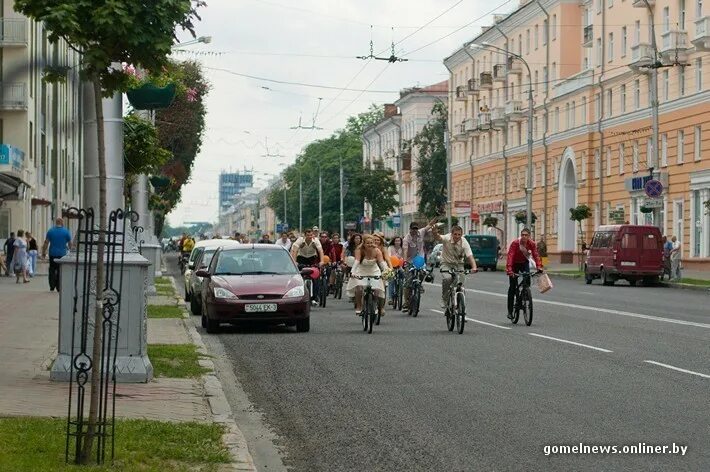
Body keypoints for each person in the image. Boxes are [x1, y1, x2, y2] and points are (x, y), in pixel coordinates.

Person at [430, 225, 478, 308]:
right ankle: (444, 299)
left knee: (461, 285)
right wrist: (434, 232)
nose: (457, 236)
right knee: (447, 279)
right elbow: (438, 237)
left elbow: (470, 256)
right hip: (446, 263)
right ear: (451, 234)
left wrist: (474, 267)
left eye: (459, 234)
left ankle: (462, 310)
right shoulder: (446, 238)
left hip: (459, 265)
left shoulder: (464, 242)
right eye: (455, 234)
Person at [346, 234, 388, 316]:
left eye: (371, 242)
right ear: (364, 243)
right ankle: (359, 306)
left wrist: (386, 271)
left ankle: (375, 305)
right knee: (359, 287)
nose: (370, 245)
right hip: (361, 270)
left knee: (376, 289)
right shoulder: (359, 250)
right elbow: (357, 261)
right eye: (368, 243)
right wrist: (353, 272)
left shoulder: (377, 251)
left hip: (374, 270)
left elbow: (381, 262)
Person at [506, 228, 543, 319]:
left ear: (529, 236)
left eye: (526, 235)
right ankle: (510, 312)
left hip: (524, 263)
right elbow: (510, 256)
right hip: (514, 264)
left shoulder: (532, 244)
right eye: (522, 235)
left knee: (527, 279)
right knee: (512, 287)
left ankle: (525, 294)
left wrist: (539, 267)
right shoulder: (515, 243)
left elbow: (536, 255)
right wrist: (510, 270)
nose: (524, 236)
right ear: (520, 235)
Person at [401, 219, 437, 311]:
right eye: (413, 229)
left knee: (423, 272)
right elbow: (405, 251)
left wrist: (437, 216)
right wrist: (405, 262)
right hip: (410, 260)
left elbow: (430, 224)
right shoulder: (406, 239)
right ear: (410, 229)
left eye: (416, 229)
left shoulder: (421, 232)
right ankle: (406, 302)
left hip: (420, 259)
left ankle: (419, 284)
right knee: (408, 282)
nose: (414, 231)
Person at [290, 228, 325, 304]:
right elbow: (295, 250)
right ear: (304, 235)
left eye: (311, 235)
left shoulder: (315, 240)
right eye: (308, 235)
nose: (310, 236)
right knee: (299, 276)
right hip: (301, 258)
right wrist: (295, 261)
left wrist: (322, 261)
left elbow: (320, 251)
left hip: (312, 258)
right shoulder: (300, 240)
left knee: (316, 277)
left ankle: (315, 297)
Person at [42, 218, 72, 291]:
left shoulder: (51, 231)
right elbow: (70, 243)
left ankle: (52, 285)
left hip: (52, 253)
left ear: (56, 222)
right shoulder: (66, 231)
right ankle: (59, 286)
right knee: (60, 270)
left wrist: (44, 251)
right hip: (62, 254)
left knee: (52, 269)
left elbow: (46, 242)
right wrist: (71, 251)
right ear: (62, 222)